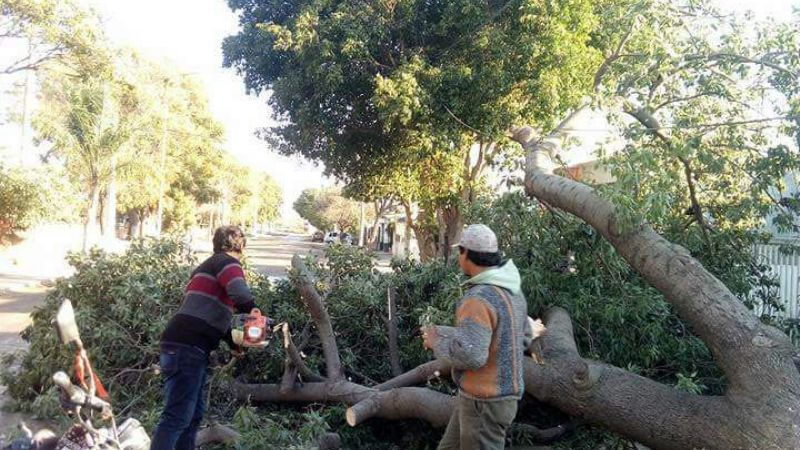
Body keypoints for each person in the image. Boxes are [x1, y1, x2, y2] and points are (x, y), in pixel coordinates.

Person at [422, 224, 532, 450]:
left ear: (465, 253)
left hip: (484, 403)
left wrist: (436, 341)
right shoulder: (512, 290)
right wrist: (452, 333)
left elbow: (472, 356)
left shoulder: (478, 299)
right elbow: (522, 338)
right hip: (488, 400)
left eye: (459, 252)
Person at [151, 226, 256, 450]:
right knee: (177, 417)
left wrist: (233, 342)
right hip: (187, 346)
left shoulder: (205, 268)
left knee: (193, 415)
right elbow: (240, 293)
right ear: (241, 246)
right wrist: (255, 313)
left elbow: (212, 315)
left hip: (184, 344)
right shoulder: (227, 262)